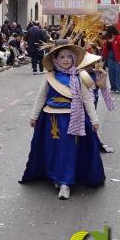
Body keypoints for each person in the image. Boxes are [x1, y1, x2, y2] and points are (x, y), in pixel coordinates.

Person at [20, 43, 105, 200]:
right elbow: (41, 97)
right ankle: (56, 176)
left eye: (68, 56)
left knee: (68, 150)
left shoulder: (81, 76)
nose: (66, 60)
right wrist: (34, 116)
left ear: (73, 59)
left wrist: (94, 119)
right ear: (55, 60)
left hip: (74, 118)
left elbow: (87, 99)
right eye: (62, 57)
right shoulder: (50, 77)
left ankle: (65, 182)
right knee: (54, 150)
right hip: (51, 120)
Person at [103, 26, 120, 93]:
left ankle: (119, 88)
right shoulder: (108, 38)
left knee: (118, 73)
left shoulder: (119, 37)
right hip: (110, 58)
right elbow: (106, 48)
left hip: (118, 58)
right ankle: (113, 87)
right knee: (111, 73)